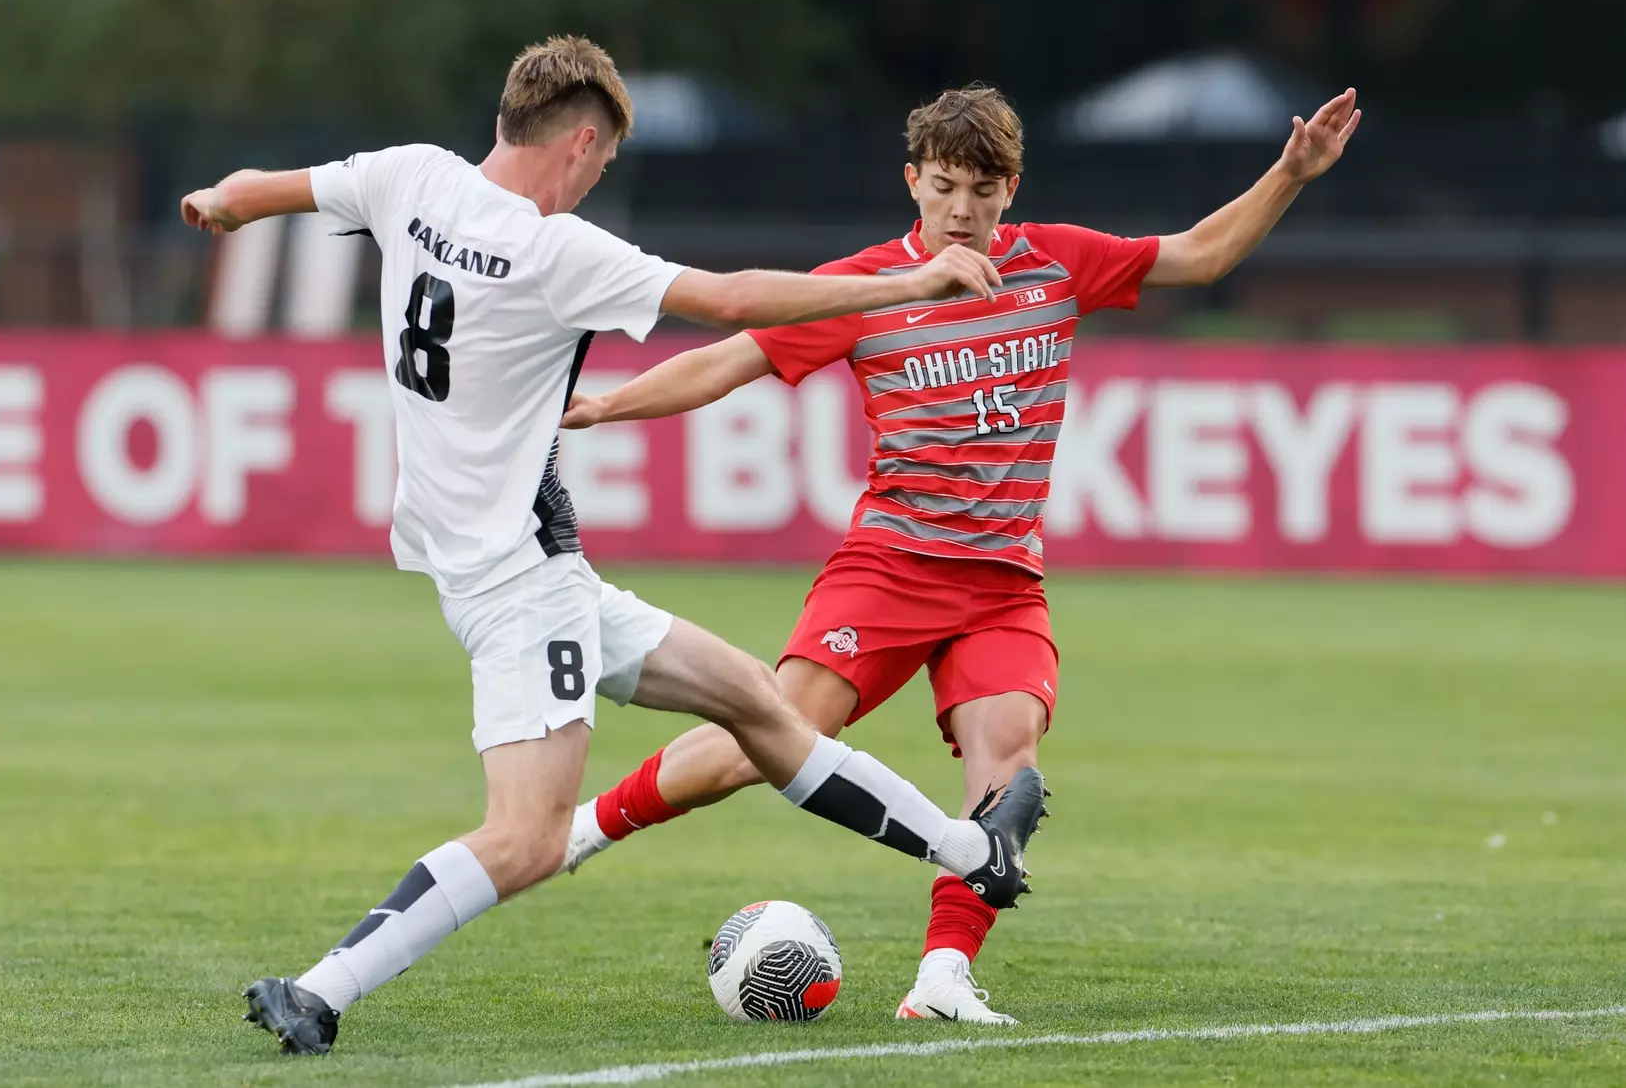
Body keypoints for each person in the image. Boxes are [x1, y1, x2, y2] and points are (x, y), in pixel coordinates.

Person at [179, 38, 1049, 1057]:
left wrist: (219, 202)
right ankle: (320, 987)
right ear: (581, 141)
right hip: (522, 585)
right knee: (527, 836)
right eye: (603, 166)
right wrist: (907, 288)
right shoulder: (558, 250)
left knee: (756, 700)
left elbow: (253, 188)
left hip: (505, 565)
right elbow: (730, 300)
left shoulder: (410, 174)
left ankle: (969, 847)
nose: (596, 183)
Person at [558, 82, 1361, 1024]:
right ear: (914, 181)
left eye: (982, 190)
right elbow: (731, 358)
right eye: (944, 187)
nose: (962, 210)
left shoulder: (1056, 264)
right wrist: (607, 405)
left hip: (1002, 585)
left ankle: (942, 977)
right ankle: (578, 830)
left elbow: (1202, 255)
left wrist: (1290, 174)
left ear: (1010, 189)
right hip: (891, 569)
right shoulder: (868, 286)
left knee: (1010, 767)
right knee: (767, 734)